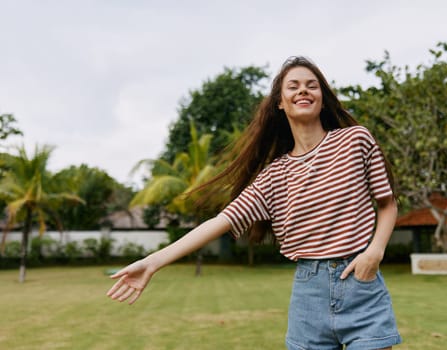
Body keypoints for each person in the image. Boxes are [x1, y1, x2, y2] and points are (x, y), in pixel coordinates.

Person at [107, 56, 402, 350]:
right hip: (308, 295)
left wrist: (374, 253)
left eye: (312, 86)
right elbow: (219, 222)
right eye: (293, 86)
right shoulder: (274, 176)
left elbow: (387, 203)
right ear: (280, 103)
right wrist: (152, 263)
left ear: (322, 100)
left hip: (361, 281)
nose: (303, 91)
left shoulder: (354, 141)